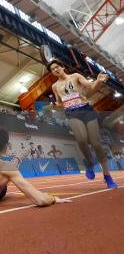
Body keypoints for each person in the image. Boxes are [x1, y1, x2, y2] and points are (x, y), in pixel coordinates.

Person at [47, 60, 117, 189]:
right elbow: (59, 103)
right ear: (52, 73)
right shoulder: (55, 86)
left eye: (57, 67)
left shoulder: (75, 76)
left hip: (86, 110)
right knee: (82, 140)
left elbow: (91, 87)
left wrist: (99, 81)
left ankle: (107, 176)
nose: (56, 70)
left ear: (62, 67)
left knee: (96, 144)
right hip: (72, 112)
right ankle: (89, 163)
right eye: (53, 69)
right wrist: (55, 105)